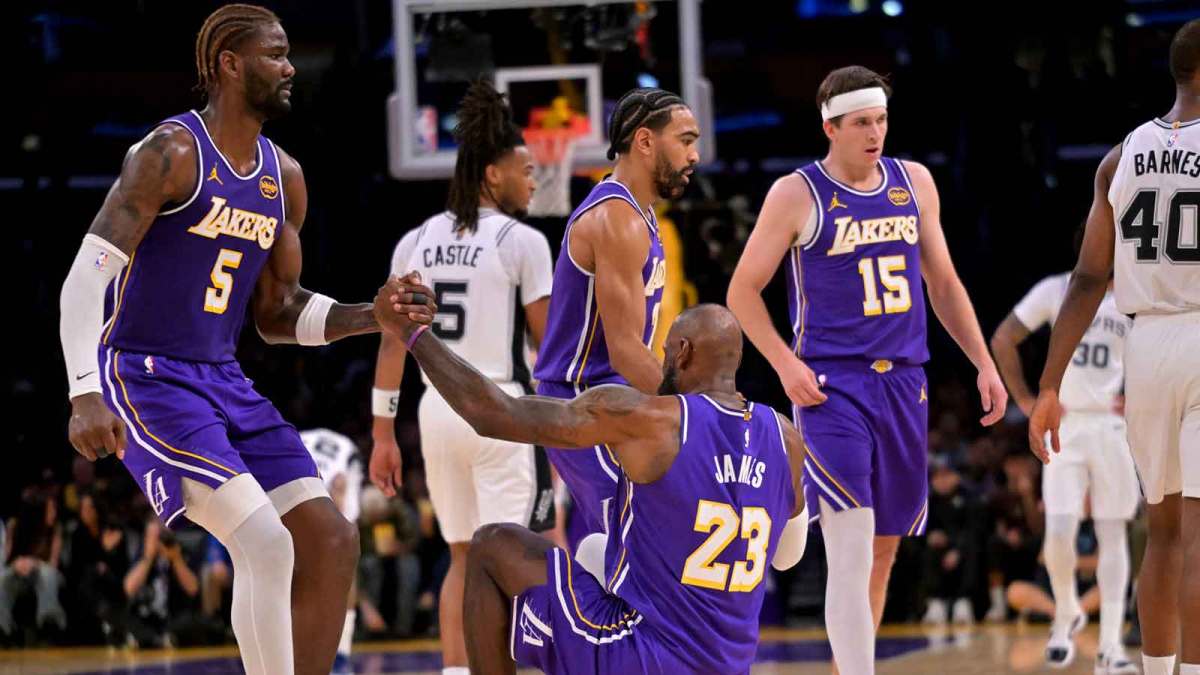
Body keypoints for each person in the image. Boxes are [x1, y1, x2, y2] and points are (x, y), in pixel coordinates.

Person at [56, 5, 390, 673]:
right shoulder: (171, 154)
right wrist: (84, 391)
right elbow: (80, 283)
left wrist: (369, 314)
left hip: (223, 377)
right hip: (144, 376)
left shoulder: (284, 177)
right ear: (229, 65)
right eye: (275, 54)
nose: (290, 66)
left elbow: (277, 312)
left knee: (330, 537)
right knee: (264, 542)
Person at [725, 65, 1007, 674]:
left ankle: (851, 664)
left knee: (883, 553)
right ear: (829, 126)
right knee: (851, 551)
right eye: (861, 123)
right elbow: (742, 290)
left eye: (881, 120)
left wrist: (983, 361)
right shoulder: (798, 193)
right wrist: (784, 364)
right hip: (833, 387)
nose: (874, 132)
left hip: (906, 382)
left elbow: (945, 282)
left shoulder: (915, 183)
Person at [376, 284, 808, 675]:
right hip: (729, 666)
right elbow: (788, 556)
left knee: (491, 545)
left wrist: (413, 336)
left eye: (664, 352)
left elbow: (494, 415)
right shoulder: (785, 437)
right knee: (596, 552)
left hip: (642, 659)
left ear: (683, 351)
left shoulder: (651, 420)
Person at [1029, 19, 1200, 675]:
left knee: (1159, 532)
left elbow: (1087, 278)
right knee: (1198, 534)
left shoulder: (1120, 155)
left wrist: (1047, 387)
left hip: (1147, 341)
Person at [369, 81, 555, 675]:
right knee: (517, 555)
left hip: (435, 412)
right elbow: (549, 349)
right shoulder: (523, 241)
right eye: (525, 170)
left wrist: (381, 432)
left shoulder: (414, 240)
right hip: (502, 408)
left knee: (458, 557)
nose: (534, 181)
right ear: (494, 175)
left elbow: (392, 338)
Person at [531, 87, 699, 569]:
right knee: (636, 534)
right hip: (582, 400)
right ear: (645, 142)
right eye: (685, 140)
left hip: (618, 395)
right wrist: (695, 412)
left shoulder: (643, 215)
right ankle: (572, 628)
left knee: (665, 523)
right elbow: (625, 350)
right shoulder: (617, 219)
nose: (695, 154)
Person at [991, 246, 1138, 671]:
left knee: (1113, 534)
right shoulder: (1056, 291)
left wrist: (1139, 398)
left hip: (1112, 428)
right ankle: (1065, 612)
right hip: (1065, 426)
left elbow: (1152, 356)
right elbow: (1003, 338)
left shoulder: (1132, 301)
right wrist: (1026, 400)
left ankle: (1110, 645)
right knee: (1057, 534)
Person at [300, 428, 365, 674]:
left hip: (339, 466)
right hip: (300, 470)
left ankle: (342, 649)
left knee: (346, 558)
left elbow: (343, 529)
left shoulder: (341, 476)